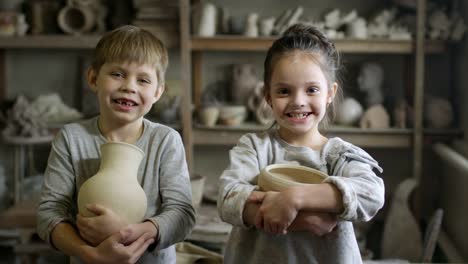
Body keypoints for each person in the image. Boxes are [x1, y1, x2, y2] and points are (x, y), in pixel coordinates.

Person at [217, 23, 385, 264]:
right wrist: (307, 219)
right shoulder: (254, 147)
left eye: (312, 90)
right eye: (284, 91)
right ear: (268, 96)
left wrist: (295, 199)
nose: (298, 101)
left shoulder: (339, 155)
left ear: (330, 94)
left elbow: (372, 194)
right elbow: (228, 198)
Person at [36, 25, 195, 264]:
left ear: (158, 92)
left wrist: (133, 232)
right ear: (93, 78)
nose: (129, 86)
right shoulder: (71, 138)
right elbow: (49, 213)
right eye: (117, 74)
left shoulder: (165, 141)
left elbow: (182, 214)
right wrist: (89, 253)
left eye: (143, 80)